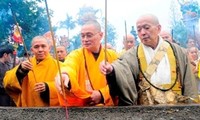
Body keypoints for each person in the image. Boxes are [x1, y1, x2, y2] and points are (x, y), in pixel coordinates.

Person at [100, 14, 198, 106]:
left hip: (177, 109)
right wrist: (111, 69)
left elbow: (189, 83)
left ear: (158, 28)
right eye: (139, 30)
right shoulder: (132, 54)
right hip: (145, 111)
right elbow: (121, 68)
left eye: (146, 28)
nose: (142, 32)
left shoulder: (179, 52)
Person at [55, 20, 118, 106]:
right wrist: (65, 74)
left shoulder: (113, 55)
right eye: (82, 36)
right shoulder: (76, 55)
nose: (85, 39)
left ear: (101, 35)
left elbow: (121, 81)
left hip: (109, 108)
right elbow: (69, 65)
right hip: (85, 107)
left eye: (89, 35)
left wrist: (102, 94)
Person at [3, 36, 60, 107]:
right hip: (29, 107)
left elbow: (66, 88)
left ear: (49, 48)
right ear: (32, 50)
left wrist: (48, 87)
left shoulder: (59, 66)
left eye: (43, 46)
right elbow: (6, 82)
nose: (40, 50)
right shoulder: (26, 64)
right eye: (36, 47)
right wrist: (20, 71)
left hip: (51, 110)